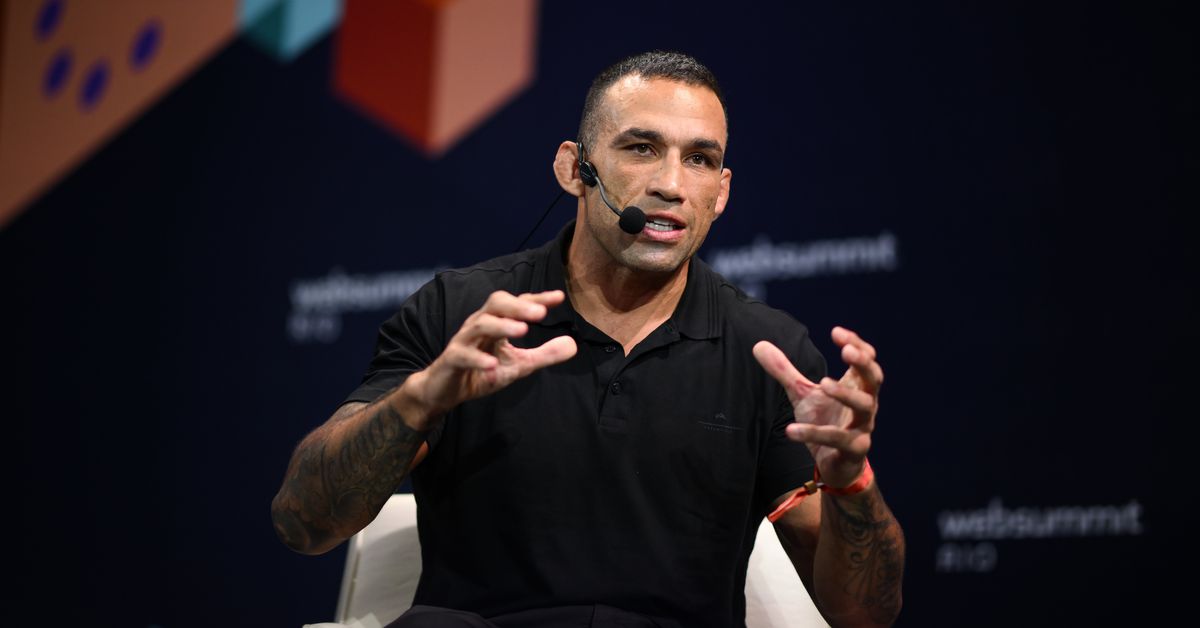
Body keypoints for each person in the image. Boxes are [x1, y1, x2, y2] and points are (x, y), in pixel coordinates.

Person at [271, 50, 905, 628]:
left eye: (700, 159)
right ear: (575, 169)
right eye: (642, 148)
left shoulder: (767, 351)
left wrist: (850, 480)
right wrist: (420, 399)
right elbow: (305, 524)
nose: (671, 185)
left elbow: (864, 617)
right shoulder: (461, 315)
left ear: (721, 193)